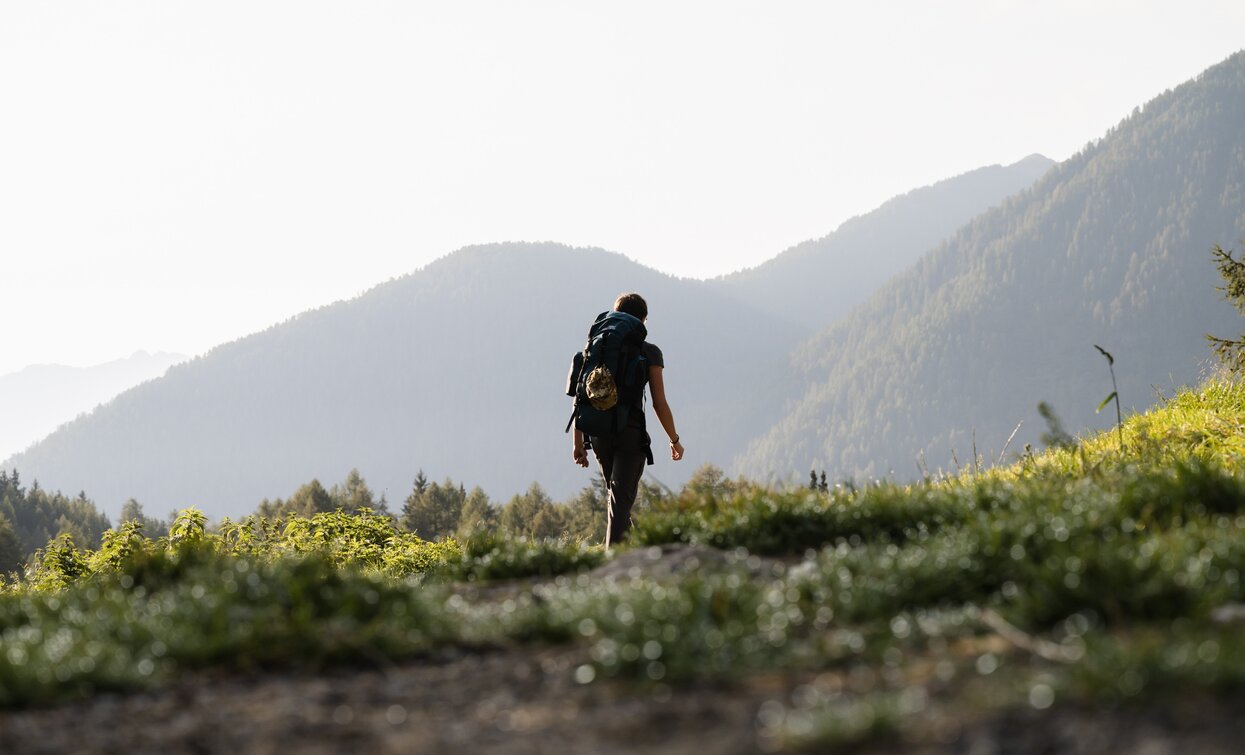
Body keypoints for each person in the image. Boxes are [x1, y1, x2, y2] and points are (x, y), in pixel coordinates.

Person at [572, 292, 684, 547]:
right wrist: (674, 439)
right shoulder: (649, 351)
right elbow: (659, 403)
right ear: (643, 320)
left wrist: (578, 443)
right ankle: (613, 560)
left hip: (598, 433)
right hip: (630, 434)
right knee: (620, 502)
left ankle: (635, 554)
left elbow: (580, 396)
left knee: (618, 500)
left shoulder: (595, 348)